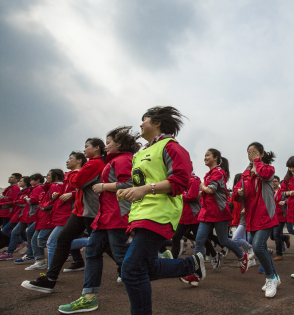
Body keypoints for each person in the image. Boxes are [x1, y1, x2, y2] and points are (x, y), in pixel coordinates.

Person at [116, 106, 205, 315]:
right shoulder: (140, 154)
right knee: (144, 268)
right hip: (139, 214)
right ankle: (191, 264)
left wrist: (145, 189)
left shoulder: (171, 146)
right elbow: (141, 181)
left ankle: (191, 265)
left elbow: (181, 181)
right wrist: (130, 191)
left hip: (159, 214)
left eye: (144, 120)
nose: (140, 124)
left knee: (130, 271)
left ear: (157, 123)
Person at [58, 126, 139, 314]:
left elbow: (130, 184)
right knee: (93, 253)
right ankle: (88, 297)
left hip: (116, 216)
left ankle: (181, 264)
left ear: (118, 144)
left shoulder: (123, 160)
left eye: (108, 142)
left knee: (125, 259)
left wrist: (103, 186)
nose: (106, 146)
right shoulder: (112, 161)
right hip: (105, 217)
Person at [21, 140, 105, 293]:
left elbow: (78, 182)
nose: (84, 149)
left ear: (97, 148)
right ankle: (50, 279)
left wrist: (73, 175)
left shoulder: (94, 163)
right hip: (80, 211)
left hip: (89, 210)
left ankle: (132, 269)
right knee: (62, 239)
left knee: (103, 245)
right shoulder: (90, 165)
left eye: (87, 146)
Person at [182, 147, 249, 287]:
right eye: (204, 155)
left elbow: (210, 190)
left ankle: (242, 256)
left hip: (219, 212)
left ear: (216, 158)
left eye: (208, 155)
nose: (205, 158)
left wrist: (202, 187)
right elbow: (208, 192)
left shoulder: (218, 172)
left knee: (223, 240)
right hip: (207, 212)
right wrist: (203, 192)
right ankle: (197, 272)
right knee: (199, 240)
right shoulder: (209, 174)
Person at [233, 142, 280, 297]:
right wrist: (238, 193)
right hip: (252, 217)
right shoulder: (245, 174)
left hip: (266, 215)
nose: (251, 155)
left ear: (261, 154)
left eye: (254, 152)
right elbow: (237, 195)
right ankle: (274, 275)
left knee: (258, 246)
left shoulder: (268, 169)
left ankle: (270, 278)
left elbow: (265, 175)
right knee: (259, 247)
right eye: (248, 152)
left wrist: (257, 162)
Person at [1, 174, 44, 260]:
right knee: (19, 233)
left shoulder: (34, 189)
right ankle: (17, 251)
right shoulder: (27, 190)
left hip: (28, 215)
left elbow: (32, 201)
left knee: (30, 234)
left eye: (21, 181)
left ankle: (32, 253)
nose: (20, 182)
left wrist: (25, 200)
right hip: (23, 215)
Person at [0, 173, 23, 249]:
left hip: (8, 213)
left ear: (17, 179)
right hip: (3, 212)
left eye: (12, 177)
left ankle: (20, 242)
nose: (10, 178)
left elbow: (13, 201)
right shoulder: (9, 188)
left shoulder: (15, 188)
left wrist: (2, 204)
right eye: (10, 177)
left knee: (6, 230)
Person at [272, 176, 290, 261]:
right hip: (271, 216)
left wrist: (285, 202)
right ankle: (285, 238)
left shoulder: (283, 192)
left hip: (280, 216)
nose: (274, 183)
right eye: (272, 181)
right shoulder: (269, 191)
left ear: (279, 182)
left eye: (275, 181)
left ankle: (279, 254)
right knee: (272, 236)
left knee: (276, 234)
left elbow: (289, 200)